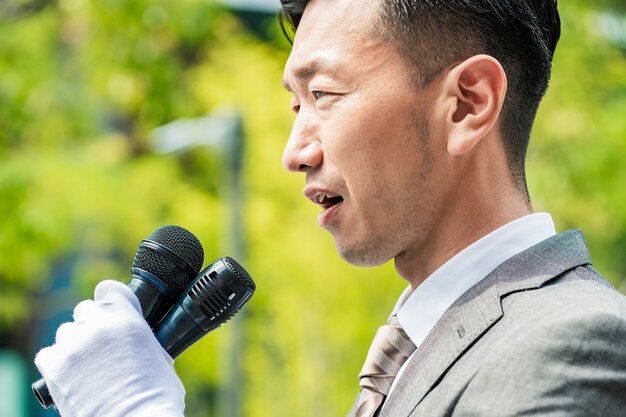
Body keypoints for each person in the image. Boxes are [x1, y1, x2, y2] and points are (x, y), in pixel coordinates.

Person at [35, 0, 626, 416]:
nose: (294, 153)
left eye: (324, 95)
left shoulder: (573, 342)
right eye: (296, 105)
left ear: (468, 104)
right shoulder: (418, 349)